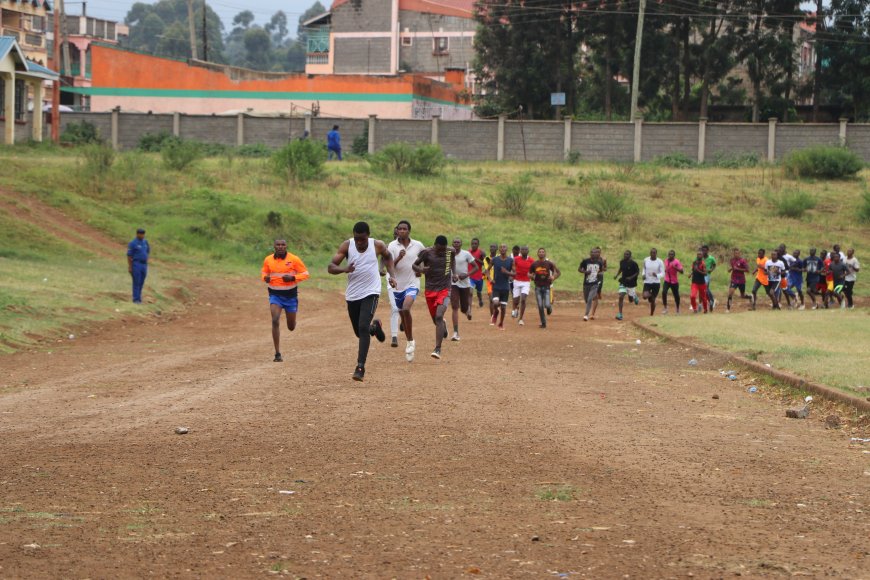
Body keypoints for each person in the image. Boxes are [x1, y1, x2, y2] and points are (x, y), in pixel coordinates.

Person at [328, 221, 396, 381]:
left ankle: (360, 367)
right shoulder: (347, 246)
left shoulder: (377, 245)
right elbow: (331, 267)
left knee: (362, 326)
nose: (359, 242)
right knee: (360, 332)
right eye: (356, 238)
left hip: (371, 291)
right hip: (353, 295)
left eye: (362, 239)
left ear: (368, 236)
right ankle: (376, 327)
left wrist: (392, 276)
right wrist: (344, 269)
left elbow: (388, 257)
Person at [262, 239, 310, 362]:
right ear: (274, 246)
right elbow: (264, 273)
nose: (280, 247)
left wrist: (293, 277)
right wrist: (265, 278)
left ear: (286, 246)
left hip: (290, 297)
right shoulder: (268, 260)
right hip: (275, 295)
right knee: (275, 319)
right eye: (278, 244)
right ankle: (277, 353)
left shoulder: (294, 259)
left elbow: (305, 274)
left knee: (291, 327)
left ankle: (293, 321)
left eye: (283, 244)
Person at [386, 220, 426, 362]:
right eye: (400, 229)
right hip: (397, 285)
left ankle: (409, 342)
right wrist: (399, 257)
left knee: (406, 308)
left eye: (404, 229)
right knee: (402, 312)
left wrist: (421, 270)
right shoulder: (391, 246)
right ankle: (410, 340)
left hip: (412, 284)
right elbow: (389, 265)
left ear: (409, 231)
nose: (402, 231)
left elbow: (424, 258)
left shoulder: (418, 245)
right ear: (397, 231)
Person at [413, 236, 457, 359]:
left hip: (445, 289)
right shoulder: (426, 253)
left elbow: (452, 260)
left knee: (438, 315)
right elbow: (414, 265)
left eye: (443, 249)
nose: (442, 252)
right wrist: (422, 270)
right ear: (434, 245)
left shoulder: (450, 251)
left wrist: (454, 273)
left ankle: (437, 349)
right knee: (436, 320)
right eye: (439, 250)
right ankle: (442, 325)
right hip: (430, 290)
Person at [450, 237, 479, 341]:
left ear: (461, 244)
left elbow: (476, 267)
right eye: (454, 242)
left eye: (458, 242)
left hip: (465, 283)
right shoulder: (449, 254)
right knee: (454, 306)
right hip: (453, 283)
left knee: (463, 308)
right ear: (452, 243)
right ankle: (456, 332)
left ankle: (467, 311)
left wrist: (467, 274)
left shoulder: (466, 254)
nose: (456, 244)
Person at [530, 247, 560, 328]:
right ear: (537, 254)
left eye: (543, 252)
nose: (541, 253)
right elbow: (529, 274)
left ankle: (549, 308)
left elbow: (558, 272)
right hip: (538, 287)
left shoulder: (549, 264)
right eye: (539, 252)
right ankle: (543, 323)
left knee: (546, 305)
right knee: (540, 306)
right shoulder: (534, 264)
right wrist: (531, 276)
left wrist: (553, 277)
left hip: (547, 287)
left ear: (545, 254)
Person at [490, 244, 514, 329]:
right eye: (501, 247)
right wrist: (490, 279)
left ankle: (501, 323)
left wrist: (507, 272)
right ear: (499, 250)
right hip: (496, 286)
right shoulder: (494, 259)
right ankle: (496, 312)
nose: (503, 248)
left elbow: (514, 273)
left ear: (507, 249)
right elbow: (486, 270)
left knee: (503, 307)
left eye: (504, 247)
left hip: (505, 287)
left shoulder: (511, 260)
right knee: (495, 303)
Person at [579, 247, 605, 321]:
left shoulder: (599, 262)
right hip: (586, 283)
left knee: (590, 298)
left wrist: (599, 274)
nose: (593, 254)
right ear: (590, 254)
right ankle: (589, 308)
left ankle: (586, 315)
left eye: (595, 253)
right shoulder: (585, 261)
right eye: (592, 253)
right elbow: (579, 269)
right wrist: (585, 272)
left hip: (595, 283)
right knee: (587, 299)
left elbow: (602, 270)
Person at [511, 245, 535, 326]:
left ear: (528, 251)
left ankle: (520, 318)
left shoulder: (531, 260)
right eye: (523, 249)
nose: (524, 250)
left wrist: (532, 276)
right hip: (517, 281)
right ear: (520, 251)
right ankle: (515, 309)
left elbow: (534, 271)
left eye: (526, 249)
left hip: (526, 282)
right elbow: (513, 267)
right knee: (516, 300)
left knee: (523, 299)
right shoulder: (516, 259)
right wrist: (514, 270)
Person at [614, 250, 639, 321]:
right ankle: (620, 314)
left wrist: (631, 277)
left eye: (627, 254)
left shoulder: (634, 263)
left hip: (631, 283)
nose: (625, 256)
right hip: (623, 281)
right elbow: (621, 269)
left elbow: (637, 272)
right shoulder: (622, 262)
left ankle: (634, 297)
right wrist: (617, 275)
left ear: (630, 255)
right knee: (621, 296)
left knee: (631, 299)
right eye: (625, 254)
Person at [127, 228, 150, 304]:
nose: (142, 235)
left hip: (144, 264)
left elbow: (147, 252)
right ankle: (136, 299)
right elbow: (129, 256)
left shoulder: (145, 242)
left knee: (141, 281)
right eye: (141, 234)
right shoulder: (133, 243)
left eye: (143, 234)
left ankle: (139, 298)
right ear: (137, 234)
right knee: (136, 281)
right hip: (136, 264)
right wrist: (130, 266)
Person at [725, 248, 749, 312]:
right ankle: (728, 308)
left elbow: (747, 270)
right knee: (730, 293)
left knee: (742, 296)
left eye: (738, 253)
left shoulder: (742, 261)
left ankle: (750, 297)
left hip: (741, 280)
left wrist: (738, 269)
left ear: (740, 253)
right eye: (735, 253)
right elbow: (733, 267)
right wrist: (730, 269)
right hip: (734, 279)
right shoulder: (732, 260)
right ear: (733, 254)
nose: (736, 254)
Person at [642, 248, 664, 316]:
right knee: (645, 296)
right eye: (651, 253)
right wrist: (643, 274)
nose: (653, 254)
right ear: (650, 253)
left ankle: (651, 314)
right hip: (647, 282)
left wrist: (657, 275)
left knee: (652, 300)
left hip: (656, 283)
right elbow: (644, 269)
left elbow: (663, 273)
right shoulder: (646, 260)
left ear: (656, 253)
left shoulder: (660, 261)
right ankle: (652, 296)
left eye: (654, 253)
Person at [662, 249, 683, 315]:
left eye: (672, 254)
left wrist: (675, 268)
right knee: (664, 292)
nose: (670, 256)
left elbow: (682, 271)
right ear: (668, 255)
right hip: (667, 280)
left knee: (676, 295)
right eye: (669, 254)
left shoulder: (677, 262)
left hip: (674, 281)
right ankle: (665, 308)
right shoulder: (666, 261)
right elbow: (665, 269)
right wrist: (664, 271)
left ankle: (677, 309)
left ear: (674, 255)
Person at [469, 238, 486, 308]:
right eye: (472, 243)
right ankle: (469, 309)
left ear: (478, 245)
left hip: (479, 277)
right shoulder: (468, 252)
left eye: (475, 244)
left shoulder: (481, 253)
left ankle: (480, 299)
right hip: (470, 276)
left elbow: (485, 264)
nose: (474, 245)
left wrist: (475, 258)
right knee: (470, 292)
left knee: (479, 292)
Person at [702, 245, 717, 310]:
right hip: (700, 275)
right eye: (703, 250)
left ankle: (711, 301)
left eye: (705, 250)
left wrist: (711, 269)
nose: (704, 252)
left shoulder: (711, 258)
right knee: (705, 289)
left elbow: (714, 264)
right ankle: (711, 301)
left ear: (708, 251)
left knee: (705, 287)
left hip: (707, 275)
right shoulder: (700, 257)